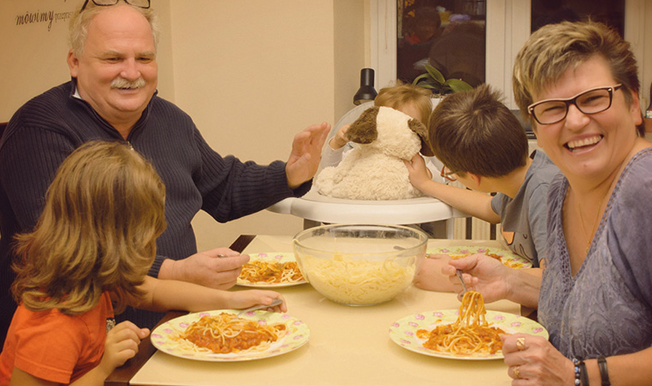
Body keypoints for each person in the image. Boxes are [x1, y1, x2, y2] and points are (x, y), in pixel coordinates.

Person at [0, 0, 329, 344]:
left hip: (179, 322)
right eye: (113, 59)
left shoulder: (170, 119)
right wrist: (174, 270)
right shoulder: (36, 129)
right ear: (75, 62)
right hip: (83, 342)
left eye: (144, 58)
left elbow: (223, 189)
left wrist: (289, 175)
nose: (131, 72)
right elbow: (68, 250)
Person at [444, 21, 652, 385]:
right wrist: (511, 282)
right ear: (535, 126)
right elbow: (601, 303)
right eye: (552, 108)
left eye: (593, 98)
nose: (575, 120)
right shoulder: (561, 190)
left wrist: (578, 375)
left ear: (633, 104)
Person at [0, 141, 286, 386]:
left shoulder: (95, 276)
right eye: (144, 238)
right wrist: (103, 367)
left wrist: (231, 301)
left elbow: (154, 291)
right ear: (113, 242)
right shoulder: (53, 323)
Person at [405, 84, 559, 292]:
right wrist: (425, 184)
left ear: (473, 178)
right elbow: (489, 208)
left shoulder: (544, 191)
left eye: (450, 172)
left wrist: (459, 278)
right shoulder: (517, 181)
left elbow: (555, 280)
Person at [320, 82, 442, 182]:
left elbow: (439, 182)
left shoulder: (417, 160)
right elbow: (330, 169)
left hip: (404, 210)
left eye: (406, 125)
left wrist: (426, 175)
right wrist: (337, 143)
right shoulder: (363, 152)